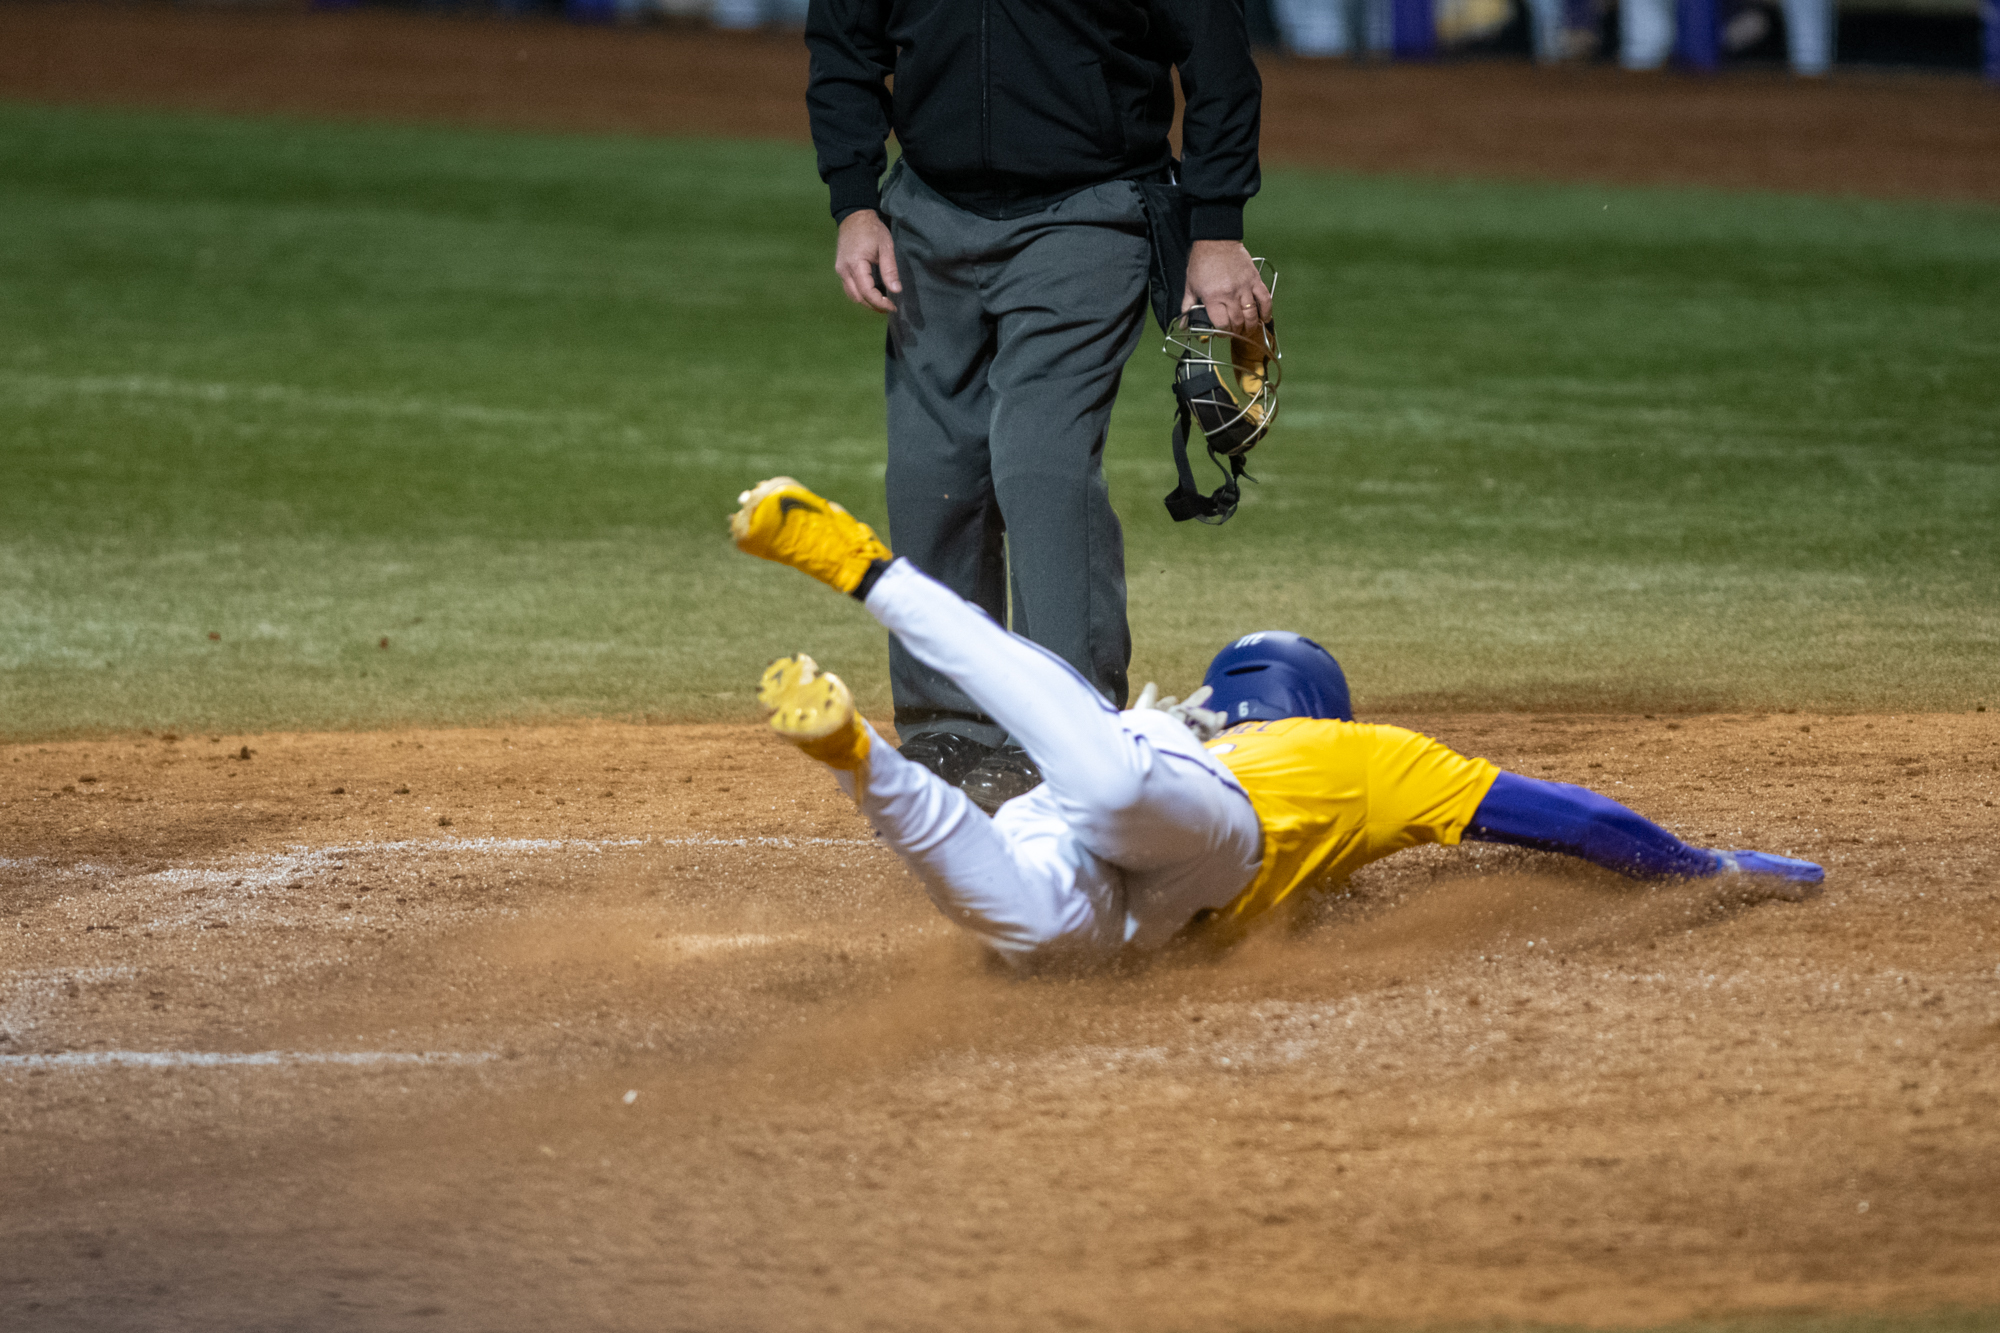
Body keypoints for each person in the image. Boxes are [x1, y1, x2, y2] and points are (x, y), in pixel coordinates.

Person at [731, 477, 1825, 969]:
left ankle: (858, 742)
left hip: (1118, 844)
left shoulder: (1188, 717)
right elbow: (1568, 819)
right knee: (1056, 870)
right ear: (1319, 702)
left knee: (1030, 918)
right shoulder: (1361, 758)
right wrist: (1695, 865)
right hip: (1196, 836)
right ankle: (865, 635)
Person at [804, 0, 1270, 812]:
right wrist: (855, 200)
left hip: (1089, 211)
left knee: (1040, 459)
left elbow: (1218, 61)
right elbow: (843, 45)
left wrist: (1218, 227)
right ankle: (948, 727)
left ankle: (1068, 728)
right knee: (931, 471)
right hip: (928, 215)